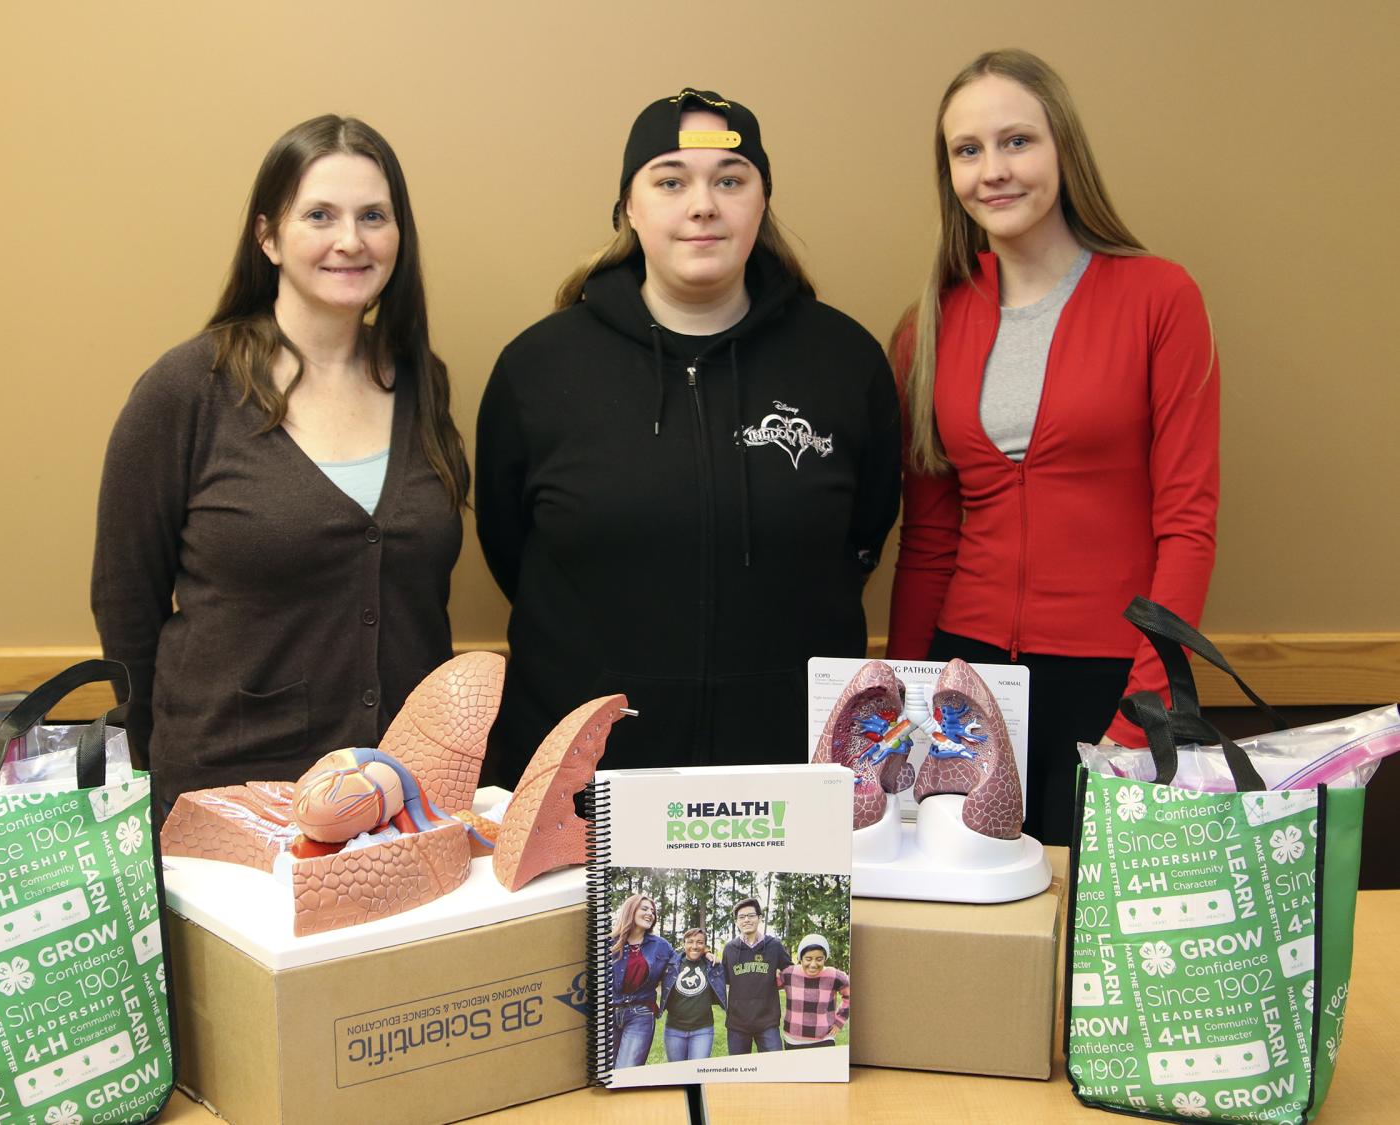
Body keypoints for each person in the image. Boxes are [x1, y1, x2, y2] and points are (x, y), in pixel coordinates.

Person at [475, 88, 902, 787]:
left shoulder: (843, 362)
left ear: (762, 204)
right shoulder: (539, 369)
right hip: (581, 784)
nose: (702, 205)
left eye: (730, 181)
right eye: (670, 181)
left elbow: (863, 535)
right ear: (630, 207)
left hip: (787, 782)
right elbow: (510, 546)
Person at [886, 50, 1219, 846]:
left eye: (1017, 142)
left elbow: (1187, 524)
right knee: (966, 941)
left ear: (1063, 149)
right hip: (966, 687)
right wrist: (901, 707)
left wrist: (1147, 711)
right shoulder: (925, 327)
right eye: (967, 151)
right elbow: (929, 541)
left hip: (1112, 676)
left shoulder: (1160, 298)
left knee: (1095, 953)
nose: (992, 171)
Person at [92, 116, 470, 812]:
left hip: (405, 793)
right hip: (232, 795)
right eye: (319, 215)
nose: (349, 240)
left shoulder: (422, 383)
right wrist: (159, 748)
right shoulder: (187, 389)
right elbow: (125, 599)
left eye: (373, 216)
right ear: (267, 236)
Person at [607, 893, 675, 1069]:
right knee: (605, 1072)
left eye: (652, 911)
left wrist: (706, 953)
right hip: (608, 1013)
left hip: (641, 1014)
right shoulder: (608, 943)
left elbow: (682, 961)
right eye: (644, 908)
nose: (650, 913)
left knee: (626, 1071)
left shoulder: (660, 945)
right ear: (630, 910)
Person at [720, 896, 790, 1054]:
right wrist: (706, 954)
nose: (746, 920)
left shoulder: (774, 946)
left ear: (759, 918)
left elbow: (791, 974)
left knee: (774, 1071)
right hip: (737, 1024)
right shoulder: (730, 949)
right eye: (741, 917)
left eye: (751, 915)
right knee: (738, 1073)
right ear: (736, 922)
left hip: (767, 1022)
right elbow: (721, 978)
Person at [661, 927, 726, 1062]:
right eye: (690, 942)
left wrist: (709, 954)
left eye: (699, 942)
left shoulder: (713, 965)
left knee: (697, 1074)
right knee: (676, 1074)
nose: (694, 946)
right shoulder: (671, 965)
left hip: (702, 1030)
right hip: (674, 1030)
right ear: (684, 943)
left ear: (705, 946)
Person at [777, 933, 850, 1049]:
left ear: (825, 958)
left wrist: (839, 1021)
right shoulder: (788, 974)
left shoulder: (834, 976)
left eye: (819, 959)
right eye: (808, 959)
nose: (813, 964)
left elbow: (850, 996)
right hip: (793, 1038)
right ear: (800, 958)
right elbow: (766, 986)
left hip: (824, 1038)